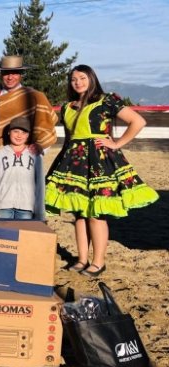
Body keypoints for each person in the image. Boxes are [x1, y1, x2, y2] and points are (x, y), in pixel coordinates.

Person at [45, 64, 158, 277]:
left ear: (91, 79)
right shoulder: (68, 107)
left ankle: (98, 262)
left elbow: (138, 121)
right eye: (74, 79)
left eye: (82, 78)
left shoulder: (107, 100)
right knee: (79, 213)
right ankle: (81, 259)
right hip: (73, 163)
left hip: (98, 162)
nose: (78, 82)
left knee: (96, 213)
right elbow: (69, 138)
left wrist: (117, 143)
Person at [0, 55, 58, 151]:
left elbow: (45, 130)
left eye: (14, 73)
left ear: (21, 74)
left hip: (27, 159)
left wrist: (35, 153)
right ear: (1, 74)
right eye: (6, 73)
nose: (10, 77)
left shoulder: (35, 97)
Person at [0, 116, 43, 220]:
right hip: (3, 206)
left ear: (28, 135)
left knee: (24, 236)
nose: (19, 135)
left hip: (26, 207)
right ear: (9, 132)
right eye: (16, 131)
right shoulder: (0, 154)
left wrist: (40, 212)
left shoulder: (34, 155)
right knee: (2, 235)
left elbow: (40, 184)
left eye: (23, 132)